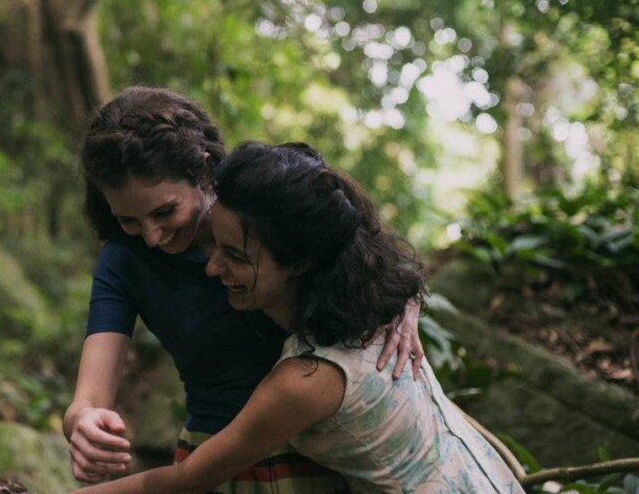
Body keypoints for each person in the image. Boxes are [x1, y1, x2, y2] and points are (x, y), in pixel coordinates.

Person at [71, 141, 523, 494]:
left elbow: (186, 480)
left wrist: (408, 303)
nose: (210, 267)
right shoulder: (356, 314)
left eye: (232, 255)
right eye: (129, 221)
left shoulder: (307, 374)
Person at [65, 86, 425, 493]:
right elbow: (88, 397)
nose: (151, 236)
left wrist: (406, 304)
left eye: (165, 211)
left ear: (203, 171)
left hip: (313, 455)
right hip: (208, 458)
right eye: (129, 220)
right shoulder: (124, 259)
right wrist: (83, 422)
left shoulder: (266, 212)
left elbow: (359, 255)